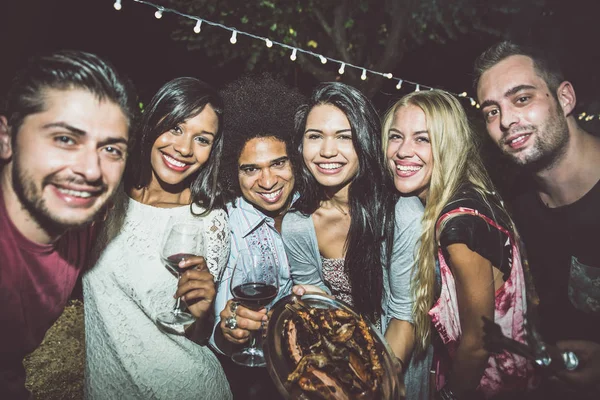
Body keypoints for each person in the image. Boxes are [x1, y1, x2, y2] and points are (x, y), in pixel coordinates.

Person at [83, 77, 231, 399]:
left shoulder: (209, 222)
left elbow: (196, 335)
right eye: (176, 128)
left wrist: (203, 313)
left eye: (202, 139)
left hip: (186, 388)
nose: (184, 148)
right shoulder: (108, 197)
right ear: (153, 121)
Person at [0, 50, 137, 399]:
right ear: (6, 139)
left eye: (111, 150)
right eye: (65, 139)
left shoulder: (83, 219)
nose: (91, 170)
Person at [383, 89, 537, 398]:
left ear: (448, 145)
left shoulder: (457, 225)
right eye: (396, 136)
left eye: (422, 139)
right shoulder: (455, 200)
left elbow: (478, 343)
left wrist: (449, 395)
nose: (402, 151)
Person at [283, 82, 429, 397]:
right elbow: (321, 315)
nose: (327, 151)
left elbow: (405, 316)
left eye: (344, 137)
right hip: (341, 367)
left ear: (365, 141)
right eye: (314, 136)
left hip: (395, 368)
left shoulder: (402, 213)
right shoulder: (297, 225)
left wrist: (377, 385)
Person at [475, 41, 600, 396]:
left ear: (565, 99)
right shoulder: (518, 209)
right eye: (491, 112)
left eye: (522, 99)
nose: (507, 121)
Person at [189, 74, 303, 399]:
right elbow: (219, 323)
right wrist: (229, 332)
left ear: (295, 161)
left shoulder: (315, 214)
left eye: (278, 163)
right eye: (250, 169)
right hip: (249, 378)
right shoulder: (227, 226)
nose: (267, 181)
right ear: (231, 172)